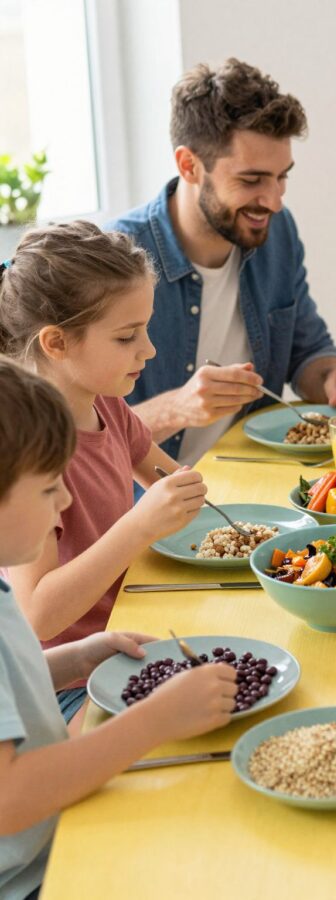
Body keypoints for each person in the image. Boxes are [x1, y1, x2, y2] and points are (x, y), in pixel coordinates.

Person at [0, 357, 237, 900]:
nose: (64, 501)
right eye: (46, 491)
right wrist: (157, 719)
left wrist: (71, 660)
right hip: (36, 875)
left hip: (56, 829)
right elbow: (9, 797)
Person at [109, 58, 336, 466]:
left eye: (281, 177)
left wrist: (335, 378)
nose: (273, 201)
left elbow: (307, 352)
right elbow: (77, 439)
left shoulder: (277, 231)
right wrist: (178, 408)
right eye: (251, 180)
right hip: (146, 510)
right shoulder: (114, 260)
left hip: (253, 486)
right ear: (188, 165)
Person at [0, 223, 206, 724]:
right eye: (126, 336)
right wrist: (140, 525)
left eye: (146, 329)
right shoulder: (30, 450)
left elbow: (165, 476)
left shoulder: (106, 406)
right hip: (67, 683)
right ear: (56, 343)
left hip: (129, 632)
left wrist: (184, 490)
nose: (149, 350)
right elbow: (39, 614)